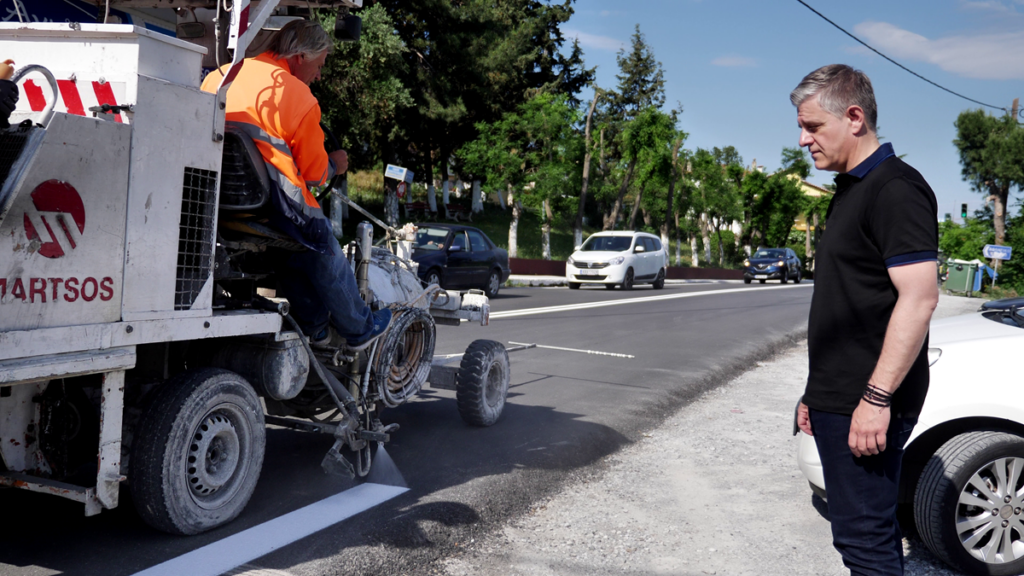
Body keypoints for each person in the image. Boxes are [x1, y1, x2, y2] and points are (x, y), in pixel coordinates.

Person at [791, 64, 939, 575]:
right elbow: (848, 306)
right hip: (840, 394)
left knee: (867, 542)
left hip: (867, 400)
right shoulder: (852, 189)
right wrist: (815, 392)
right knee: (854, 535)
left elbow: (919, 299)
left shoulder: (895, 188)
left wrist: (876, 400)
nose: (804, 139)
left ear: (854, 117)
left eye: (813, 126)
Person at [201, 20, 390, 350]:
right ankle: (359, 328)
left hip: (217, 199)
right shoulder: (299, 97)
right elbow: (315, 175)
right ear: (300, 56)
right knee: (321, 242)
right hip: (271, 203)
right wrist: (336, 164)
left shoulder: (218, 77)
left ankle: (315, 326)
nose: (319, 75)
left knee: (289, 243)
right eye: (319, 66)